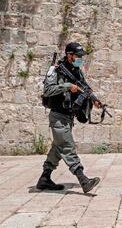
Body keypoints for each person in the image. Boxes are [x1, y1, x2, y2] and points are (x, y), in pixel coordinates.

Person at [36, 42, 101, 193]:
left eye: (81, 56)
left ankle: (44, 179)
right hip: (58, 116)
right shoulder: (56, 70)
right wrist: (66, 86)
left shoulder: (76, 70)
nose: (80, 59)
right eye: (78, 56)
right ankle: (83, 180)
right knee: (67, 147)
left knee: (58, 149)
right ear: (69, 55)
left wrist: (94, 99)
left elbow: (84, 86)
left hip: (68, 117)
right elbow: (47, 90)